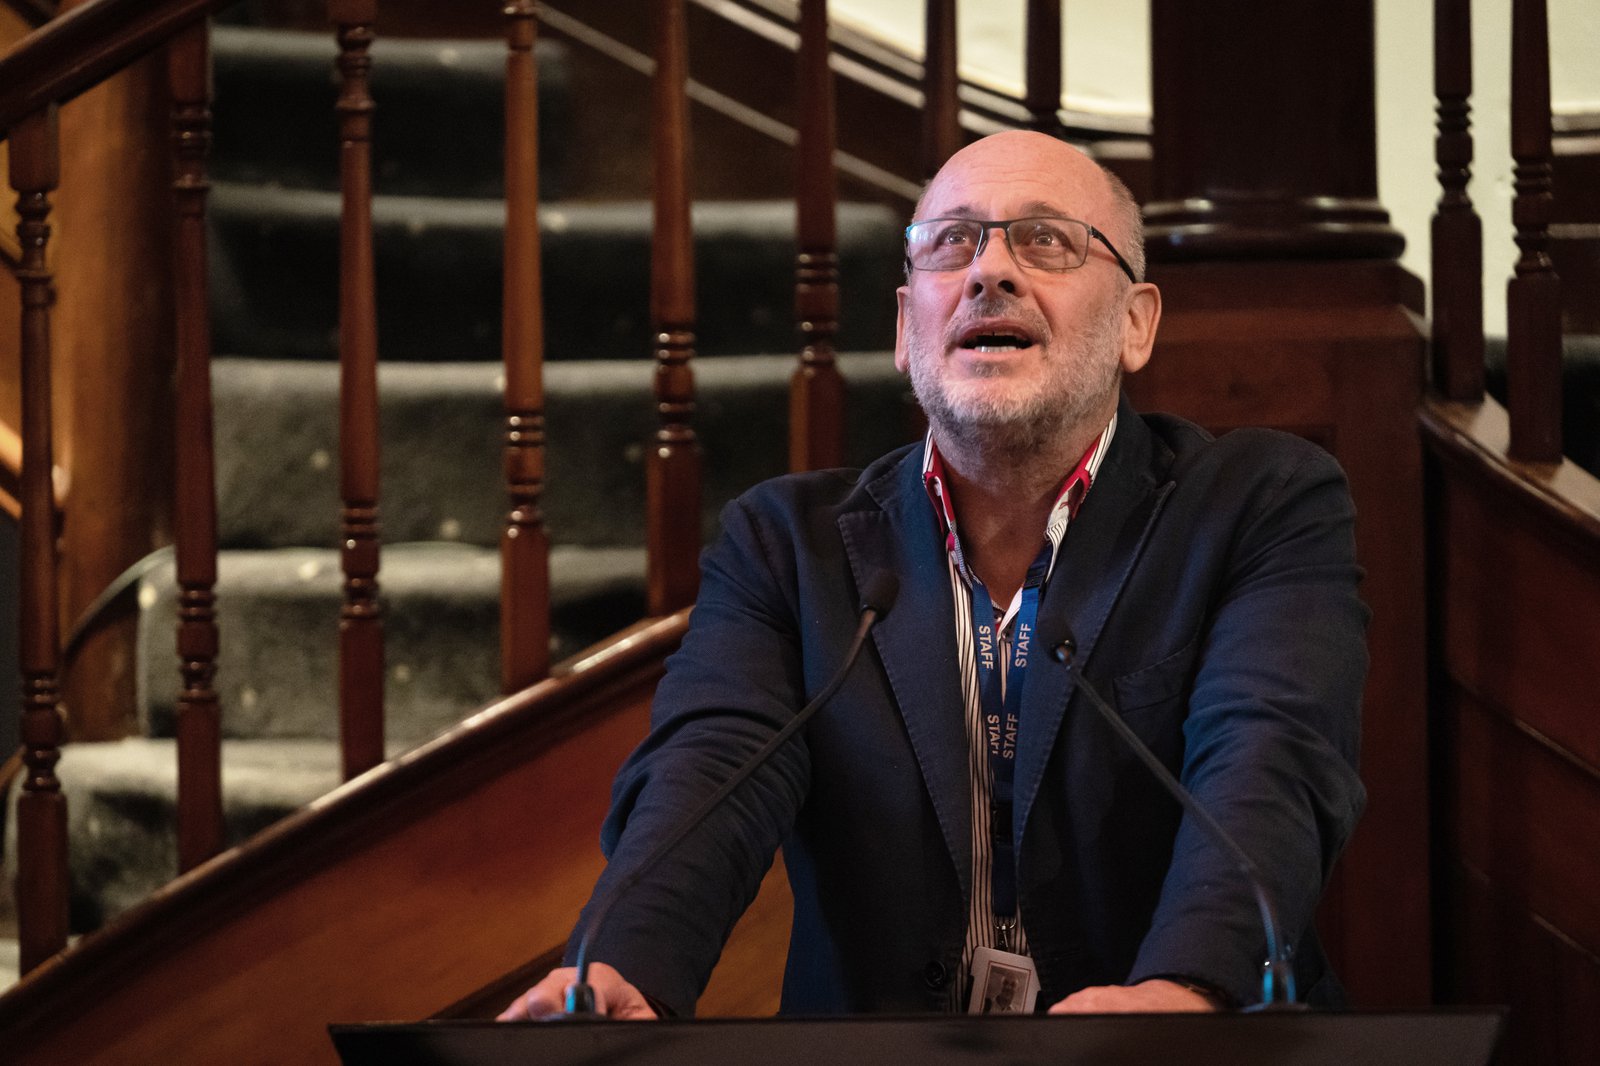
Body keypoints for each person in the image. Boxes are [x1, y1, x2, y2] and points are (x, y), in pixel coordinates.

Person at [500, 130, 1367, 1021]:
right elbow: (709, 771)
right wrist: (622, 971)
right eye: (952, 243)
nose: (990, 271)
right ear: (908, 330)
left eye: (1047, 240)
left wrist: (1188, 990)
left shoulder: (1259, 506)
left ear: (1136, 323)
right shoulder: (787, 546)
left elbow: (1269, 762)